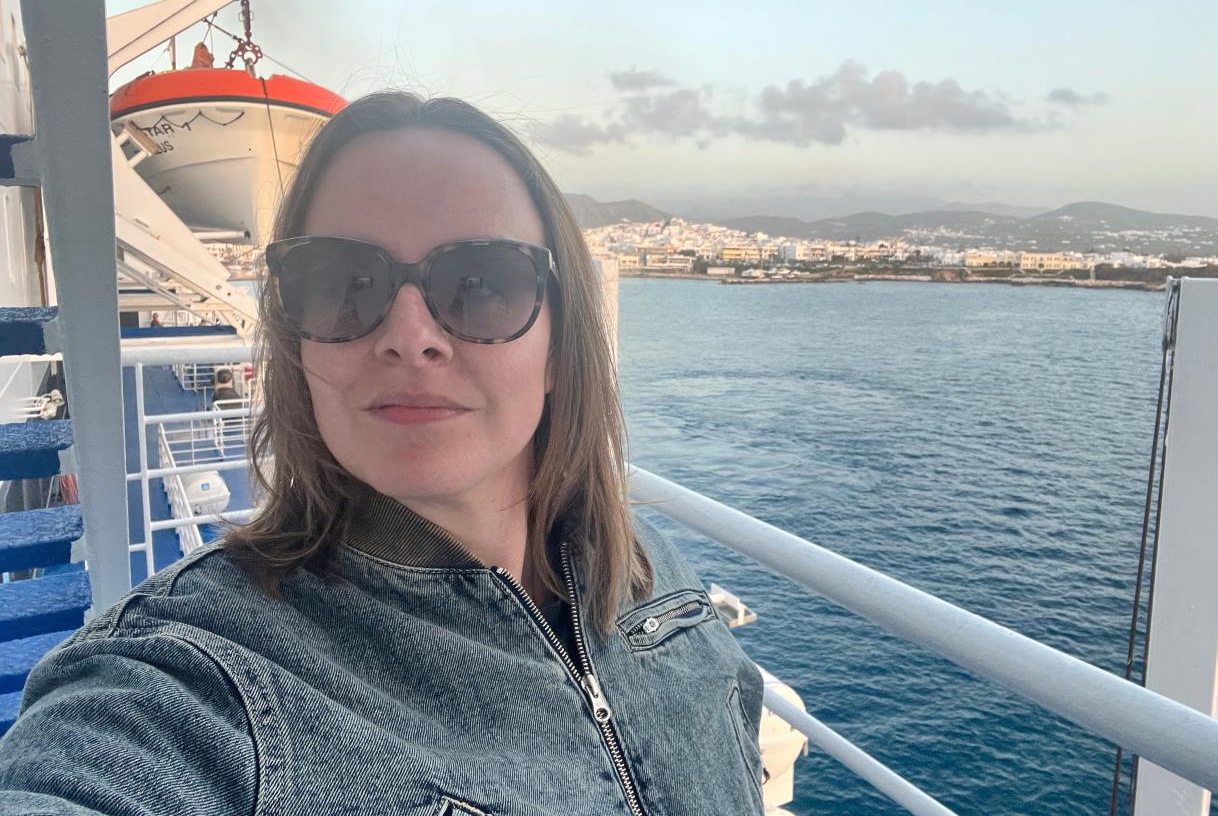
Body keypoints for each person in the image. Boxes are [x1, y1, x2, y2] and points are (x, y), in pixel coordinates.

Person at [0, 93, 767, 815]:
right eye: (342, 281)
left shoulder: (647, 567)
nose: (409, 335)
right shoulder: (202, 679)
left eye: (482, 282)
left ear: (560, 345)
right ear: (295, 341)